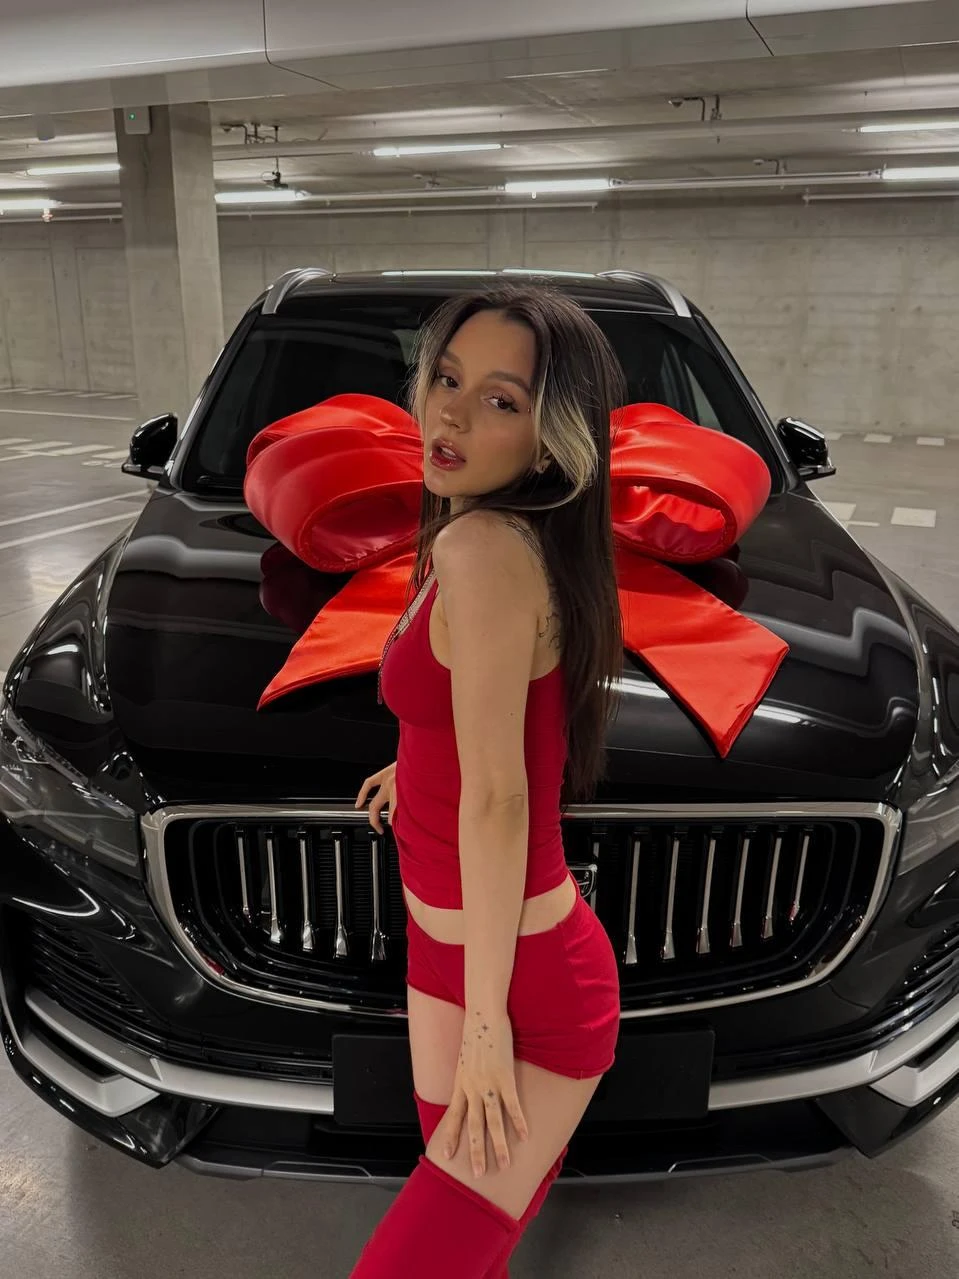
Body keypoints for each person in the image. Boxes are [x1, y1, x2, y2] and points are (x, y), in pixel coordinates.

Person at [350, 286, 625, 1277]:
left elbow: (505, 796)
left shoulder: (482, 548)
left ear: (550, 440)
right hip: (447, 951)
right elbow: (501, 712)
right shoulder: (476, 533)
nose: (452, 414)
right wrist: (416, 755)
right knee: (470, 1253)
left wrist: (482, 1027)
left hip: (524, 983)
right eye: (447, 379)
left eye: (500, 400)